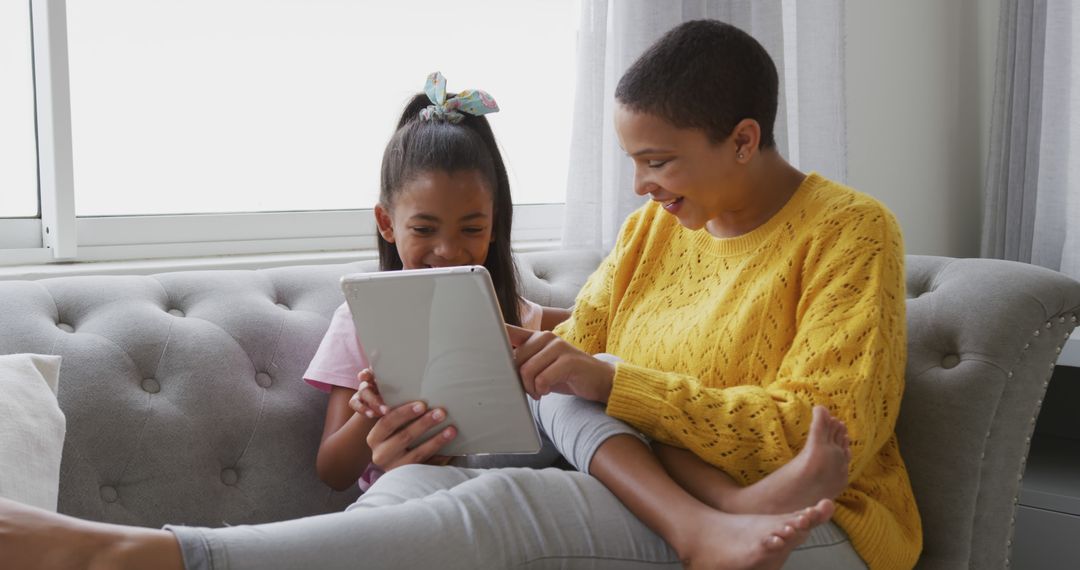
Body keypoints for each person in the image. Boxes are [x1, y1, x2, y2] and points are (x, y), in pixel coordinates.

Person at [0, 19, 915, 570]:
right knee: (430, 485)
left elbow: (822, 432)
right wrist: (537, 363)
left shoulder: (848, 232)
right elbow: (574, 370)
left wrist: (608, 379)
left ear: (745, 140)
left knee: (504, 501)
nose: (640, 186)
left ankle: (146, 554)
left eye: (658, 161)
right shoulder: (655, 231)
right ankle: (705, 515)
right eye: (635, 160)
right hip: (651, 472)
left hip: (814, 518)